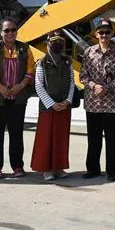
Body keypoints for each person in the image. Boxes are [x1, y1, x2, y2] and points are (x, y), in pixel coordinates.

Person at [0, 18, 35, 179]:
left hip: (18, 97)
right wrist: (2, 88)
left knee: (16, 133)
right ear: (1, 32)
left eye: (13, 29)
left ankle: (18, 166)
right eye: (7, 30)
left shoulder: (25, 49)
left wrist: (20, 86)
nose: (10, 33)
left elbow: (30, 70)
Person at [79, 19, 115, 182]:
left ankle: (112, 171)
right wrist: (94, 86)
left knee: (112, 140)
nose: (104, 35)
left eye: (107, 32)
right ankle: (92, 169)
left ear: (112, 33)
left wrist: (107, 87)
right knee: (93, 139)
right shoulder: (88, 52)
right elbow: (83, 76)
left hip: (112, 103)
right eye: (101, 32)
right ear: (96, 34)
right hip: (93, 102)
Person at [31, 31, 75, 181]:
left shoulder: (68, 62)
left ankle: (59, 167)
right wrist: (51, 104)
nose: (56, 45)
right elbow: (38, 85)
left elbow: (72, 83)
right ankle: (47, 169)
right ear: (47, 43)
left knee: (61, 139)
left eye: (59, 42)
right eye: (53, 41)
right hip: (48, 108)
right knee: (46, 139)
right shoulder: (41, 63)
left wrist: (68, 101)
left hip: (64, 106)